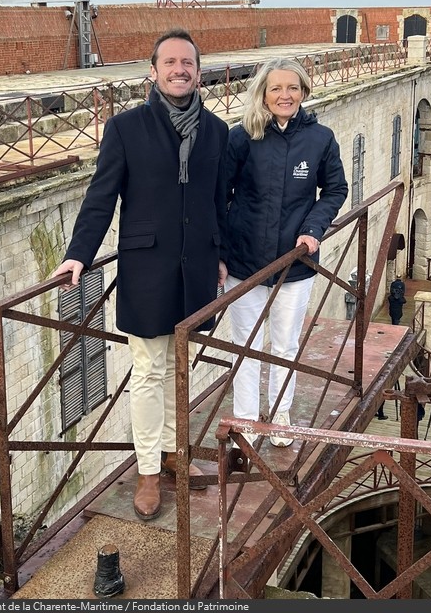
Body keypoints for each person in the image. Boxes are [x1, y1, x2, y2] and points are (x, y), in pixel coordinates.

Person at [51, 28, 229, 521]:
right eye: (169, 62)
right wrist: (78, 254)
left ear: (198, 70)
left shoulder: (215, 130)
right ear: (153, 71)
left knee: (178, 367)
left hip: (195, 270)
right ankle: (148, 469)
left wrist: (221, 253)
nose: (179, 69)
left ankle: (175, 453)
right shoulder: (126, 128)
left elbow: (218, 201)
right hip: (146, 269)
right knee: (148, 372)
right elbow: (101, 196)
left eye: (187, 62)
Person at [223, 57, 348, 446]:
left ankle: (279, 414)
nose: (284, 95)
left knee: (285, 342)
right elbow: (219, 195)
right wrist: (220, 252)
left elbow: (335, 190)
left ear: (304, 92)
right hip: (244, 262)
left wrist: (313, 229)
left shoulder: (320, 138)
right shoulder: (242, 137)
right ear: (263, 93)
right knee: (245, 344)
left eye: (292, 88)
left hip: (295, 264)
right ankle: (245, 419)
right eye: (275, 88)